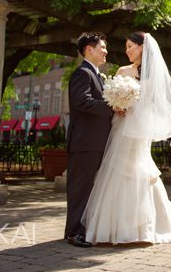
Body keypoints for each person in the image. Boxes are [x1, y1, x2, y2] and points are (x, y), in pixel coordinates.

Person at [82, 31, 171, 245]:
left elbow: (155, 105)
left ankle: (142, 227)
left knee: (139, 170)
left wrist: (134, 107)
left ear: (142, 48)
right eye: (126, 47)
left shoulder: (153, 75)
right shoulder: (123, 70)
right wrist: (117, 104)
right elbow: (111, 99)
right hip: (120, 127)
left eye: (131, 46)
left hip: (138, 131)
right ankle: (111, 228)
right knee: (116, 170)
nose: (127, 50)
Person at [65, 32, 114, 248]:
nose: (105, 51)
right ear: (89, 50)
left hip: (95, 143)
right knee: (80, 189)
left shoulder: (96, 75)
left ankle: (83, 229)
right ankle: (74, 233)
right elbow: (82, 101)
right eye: (102, 47)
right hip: (84, 143)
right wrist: (112, 106)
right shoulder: (82, 73)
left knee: (89, 189)